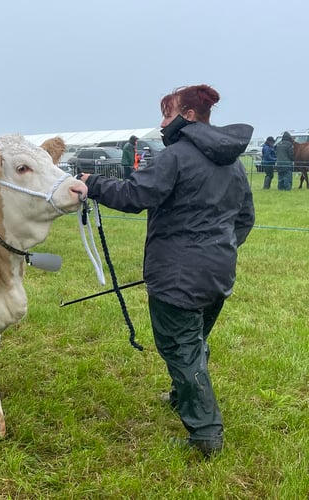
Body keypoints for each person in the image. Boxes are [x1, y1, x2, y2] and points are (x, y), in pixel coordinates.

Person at [79, 84, 255, 458]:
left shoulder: (174, 156)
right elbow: (245, 219)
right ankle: (182, 395)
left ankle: (206, 434)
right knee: (193, 341)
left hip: (178, 279)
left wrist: (93, 183)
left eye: (167, 114)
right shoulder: (234, 164)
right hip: (217, 274)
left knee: (180, 347)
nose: (161, 123)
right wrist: (218, 250)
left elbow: (134, 195)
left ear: (187, 116)